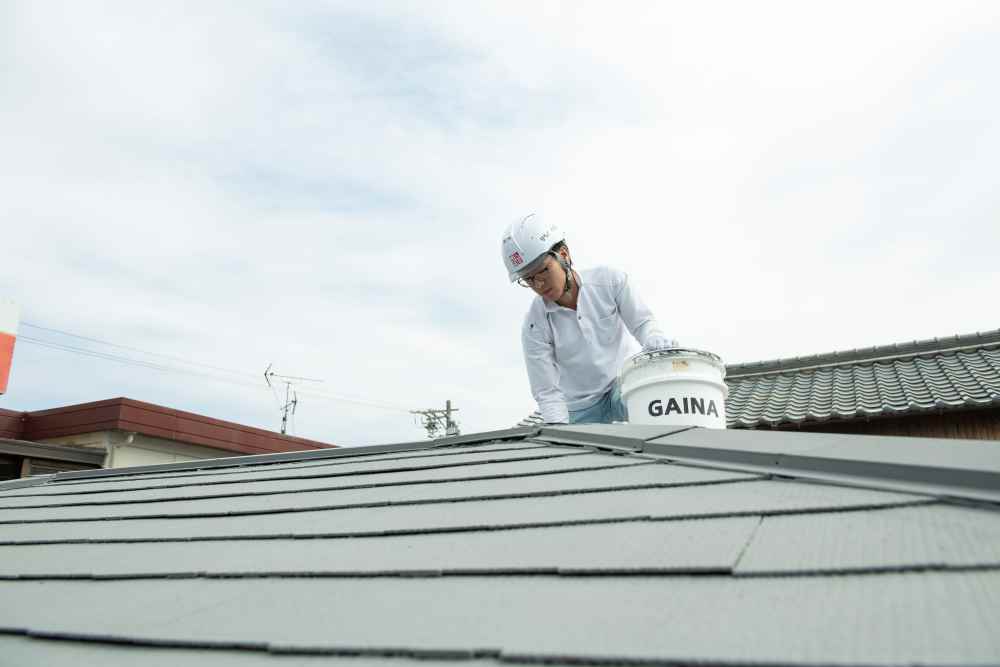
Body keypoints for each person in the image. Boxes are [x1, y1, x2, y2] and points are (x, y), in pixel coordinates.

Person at [502, 213, 675, 425]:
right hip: (580, 409)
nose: (538, 284)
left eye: (543, 271)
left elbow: (642, 323)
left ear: (563, 254)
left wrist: (653, 338)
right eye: (529, 279)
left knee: (659, 409)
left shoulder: (610, 282)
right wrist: (558, 429)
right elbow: (546, 390)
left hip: (623, 387)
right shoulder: (534, 324)